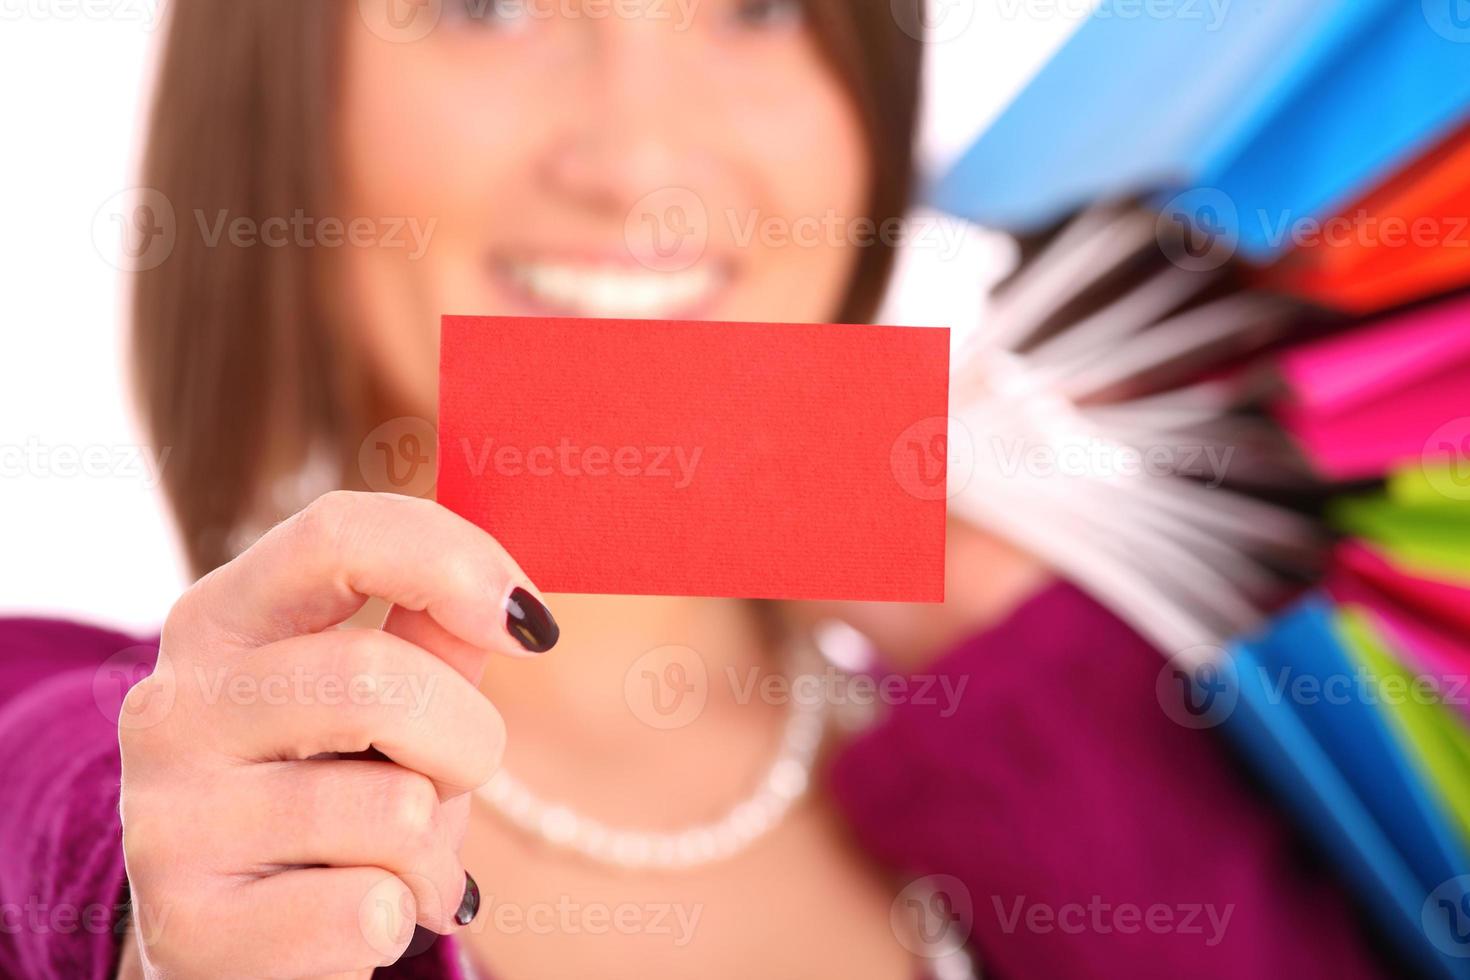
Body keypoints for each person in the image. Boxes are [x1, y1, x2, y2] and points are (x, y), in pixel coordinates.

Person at [0, 2, 1393, 977]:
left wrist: (1046, 673)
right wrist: (155, 930)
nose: (640, 163)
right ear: (273, 92)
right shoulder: (72, 766)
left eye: (759, 5)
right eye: (489, 6)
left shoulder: (1142, 748)